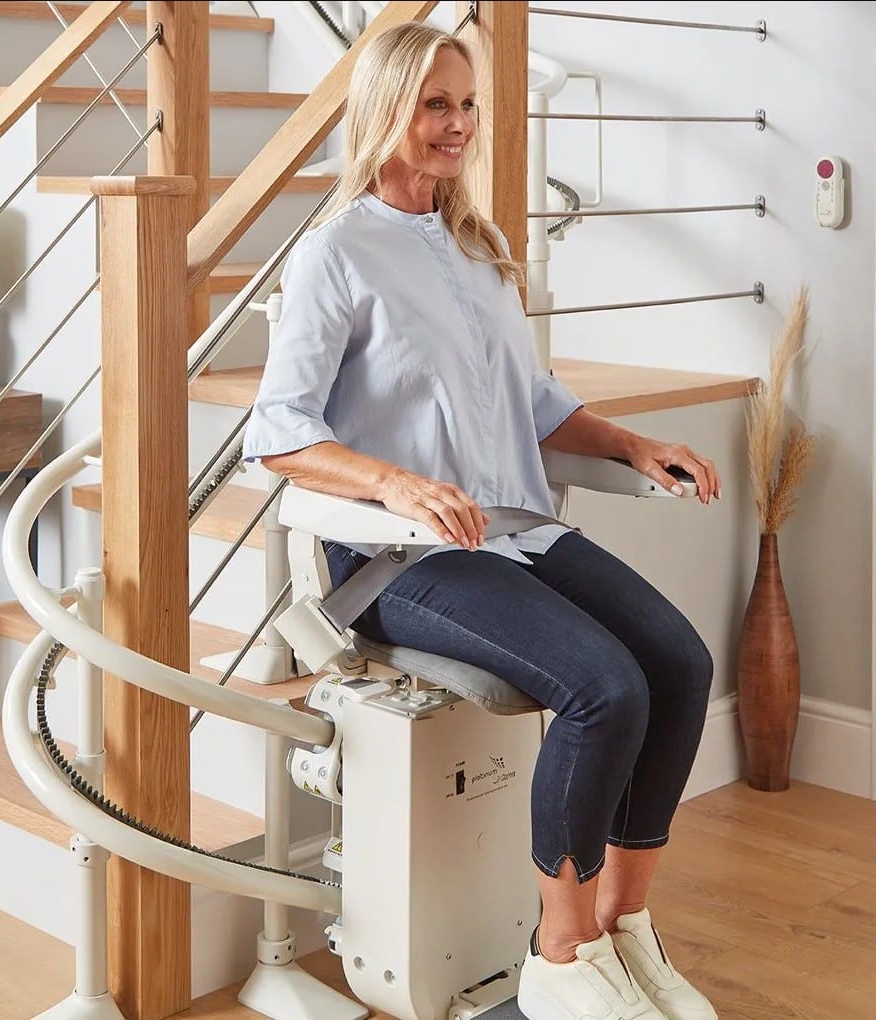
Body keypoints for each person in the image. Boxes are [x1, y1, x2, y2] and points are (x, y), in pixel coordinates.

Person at [243, 21, 720, 1020]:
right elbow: (279, 432)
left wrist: (629, 444)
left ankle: (623, 936)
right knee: (602, 688)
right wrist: (391, 483)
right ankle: (561, 954)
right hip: (395, 556)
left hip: (509, 528)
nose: (456, 125)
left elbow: (534, 400)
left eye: (465, 105)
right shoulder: (337, 252)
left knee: (676, 663)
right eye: (433, 104)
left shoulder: (476, 245)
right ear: (382, 112)